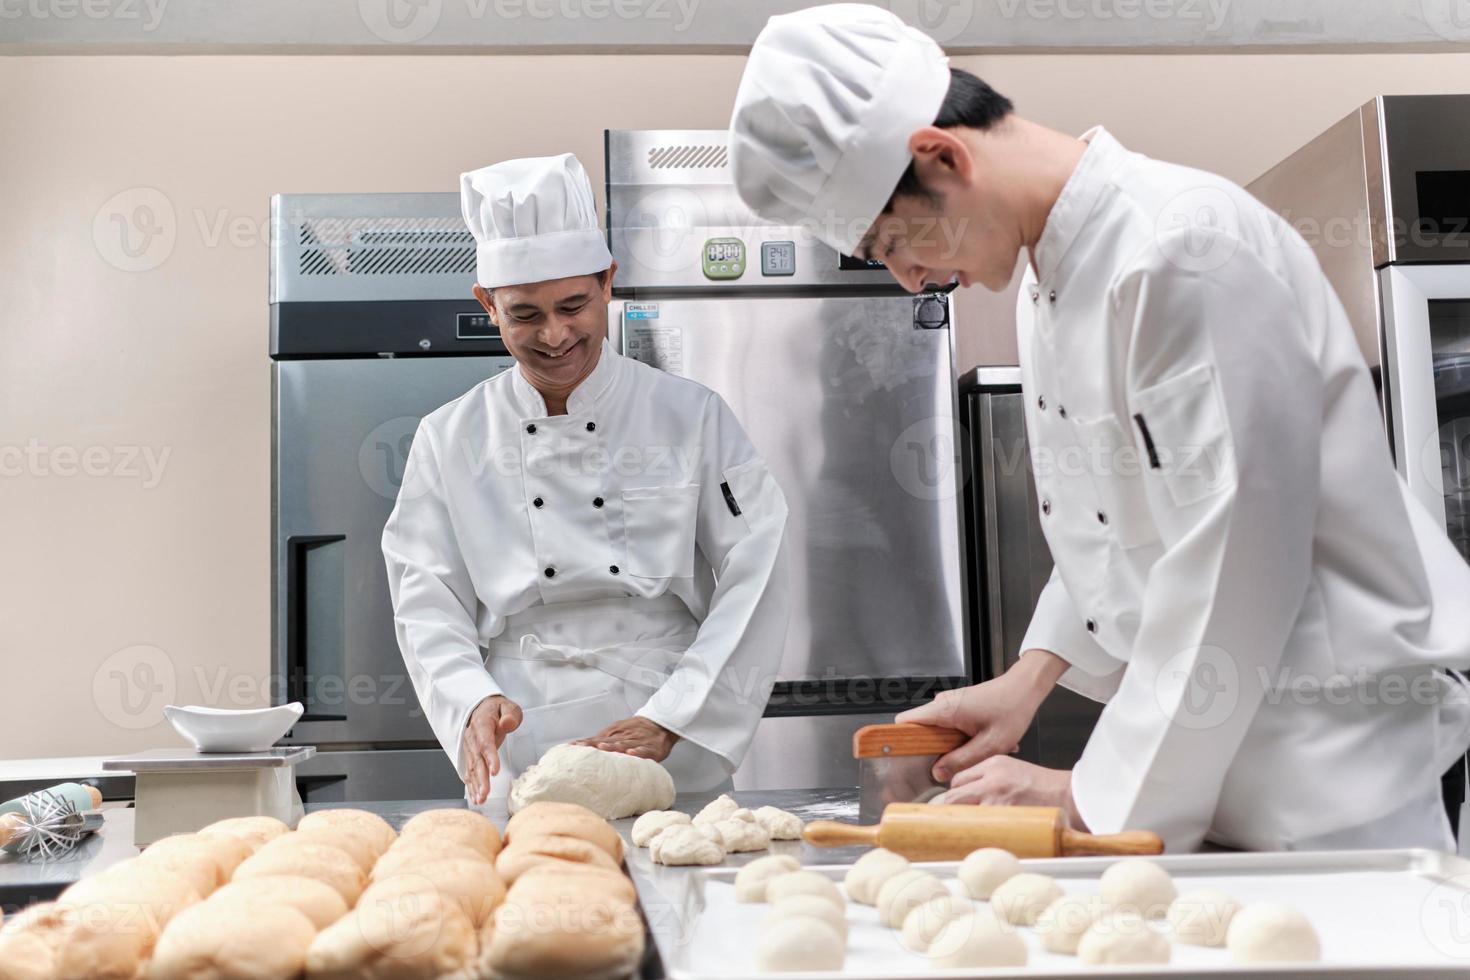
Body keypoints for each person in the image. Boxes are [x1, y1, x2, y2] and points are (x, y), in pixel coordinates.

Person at [728, 3, 1470, 852]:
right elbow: (1111, 524)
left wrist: (1084, 793)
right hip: (1212, 774)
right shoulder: (1052, 273)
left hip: (1329, 785)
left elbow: (1232, 563)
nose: (907, 280)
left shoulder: (1180, 250)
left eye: (892, 241)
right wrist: (1030, 677)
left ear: (941, 156)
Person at [382, 153, 790, 804]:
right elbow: (426, 600)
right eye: (524, 314)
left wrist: (674, 716)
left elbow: (757, 570)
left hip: (663, 724)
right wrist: (470, 700)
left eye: (574, 304)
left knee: (686, 886)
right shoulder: (449, 437)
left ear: (607, 282)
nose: (555, 335)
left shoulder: (691, 417)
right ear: (488, 304)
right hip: (522, 729)